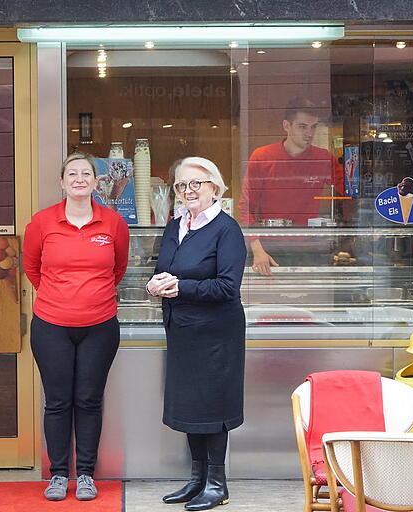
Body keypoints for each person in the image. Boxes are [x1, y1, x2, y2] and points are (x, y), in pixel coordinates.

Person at [22, 153, 129, 502]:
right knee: (57, 401)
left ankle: (85, 474)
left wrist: (89, 296)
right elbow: (32, 268)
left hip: (99, 325)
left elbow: (119, 268)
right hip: (52, 325)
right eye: (72, 173)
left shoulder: (113, 223)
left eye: (87, 173)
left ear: (97, 183)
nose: (79, 178)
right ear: (62, 181)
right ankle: (57, 475)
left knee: (88, 400)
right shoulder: (42, 222)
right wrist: (61, 296)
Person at [146, 157, 246, 511]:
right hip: (183, 330)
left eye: (195, 184)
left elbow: (227, 287)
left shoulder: (227, 229)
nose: (187, 191)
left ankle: (217, 484)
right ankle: (196, 479)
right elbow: (163, 267)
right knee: (190, 404)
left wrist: (180, 287)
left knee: (213, 404)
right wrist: (156, 282)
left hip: (217, 333)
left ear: (215, 188)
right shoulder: (175, 226)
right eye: (180, 185)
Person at [239, 97, 344, 275]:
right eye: (302, 126)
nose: (309, 133)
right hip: (269, 246)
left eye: (313, 127)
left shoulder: (323, 158)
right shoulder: (263, 157)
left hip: (312, 247)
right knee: (270, 300)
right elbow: (245, 207)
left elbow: (349, 194)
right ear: (287, 126)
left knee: (313, 299)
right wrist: (257, 249)